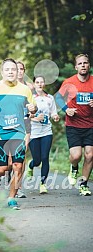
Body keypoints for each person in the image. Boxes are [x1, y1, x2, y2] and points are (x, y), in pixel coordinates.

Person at [0, 58, 36, 209]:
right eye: (7, 70)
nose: (11, 72)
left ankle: (11, 198)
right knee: (2, 169)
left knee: (18, 166)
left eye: (13, 69)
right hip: (0, 133)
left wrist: (32, 109)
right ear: (2, 72)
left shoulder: (25, 89)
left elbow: (33, 107)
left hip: (18, 132)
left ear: (18, 72)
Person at [56, 54, 93, 196]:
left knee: (90, 156)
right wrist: (66, 109)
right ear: (76, 67)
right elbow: (58, 98)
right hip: (73, 125)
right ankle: (74, 167)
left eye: (86, 63)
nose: (83, 65)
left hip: (90, 124)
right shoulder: (69, 82)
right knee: (76, 156)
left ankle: (83, 184)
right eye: (80, 63)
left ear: (89, 65)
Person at [26, 76, 60, 193]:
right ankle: (31, 166)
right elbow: (25, 116)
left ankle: (42, 184)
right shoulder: (30, 98)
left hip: (46, 132)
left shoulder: (49, 98)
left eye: (42, 82)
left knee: (45, 157)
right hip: (33, 133)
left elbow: (53, 112)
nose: (40, 84)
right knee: (37, 160)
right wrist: (35, 118)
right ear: (34, 84)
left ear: (44, 84)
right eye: (37, 82)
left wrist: (55, 116)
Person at [8, 61, 34, 198]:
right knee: (11, 160)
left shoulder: (29, 87)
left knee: (21, 157)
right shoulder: (9, 87)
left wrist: (33, 112)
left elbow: (33, 106)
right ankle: (10, 177)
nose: (19, 72)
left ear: (24, 71)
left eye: (21, 69)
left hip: (26, 124)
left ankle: (18, 187)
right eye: (16, 69)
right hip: (12, 124)